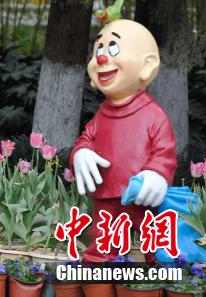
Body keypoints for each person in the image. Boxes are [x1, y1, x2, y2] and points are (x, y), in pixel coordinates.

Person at [71, 17, 175, 263]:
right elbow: (86, 139)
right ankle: (99, 278)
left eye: (113, 48)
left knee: (155, 246)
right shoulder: (101, 116)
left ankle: (157, 276)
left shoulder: (153, 115)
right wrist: (81, 154)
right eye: (99, 50)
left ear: (147, 65)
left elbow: (164, 151)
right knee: (101, 247)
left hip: (141, 196)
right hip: (107, 198)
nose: (102, 59)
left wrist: (157, 174)